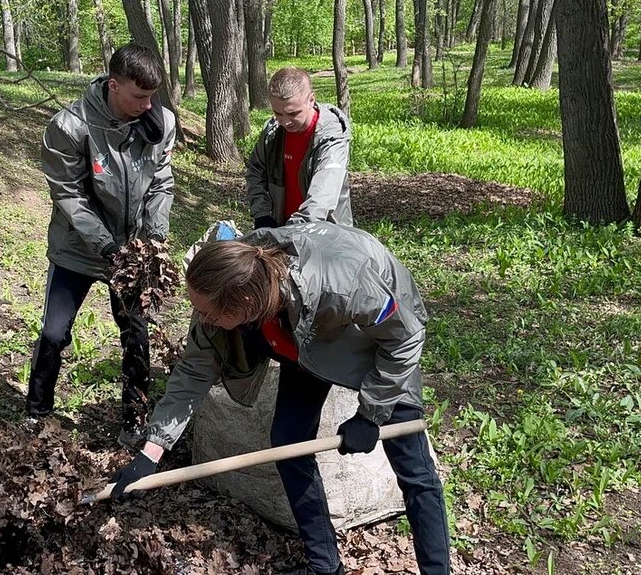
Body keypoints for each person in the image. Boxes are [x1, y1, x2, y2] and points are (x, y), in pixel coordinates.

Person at [109, 222, 450, 575]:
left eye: (210, 313)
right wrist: (151, 451)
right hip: (302, 346)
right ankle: (325, 566)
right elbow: (194, 372)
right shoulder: (232, 281)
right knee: (288, 441)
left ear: (241, 302)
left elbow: (405, 336)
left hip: (378, 341)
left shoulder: (340, 285)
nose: (204, 319)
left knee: (414, 469)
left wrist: (370, 415)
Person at [26, 43, 175, 449]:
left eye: (151, 96)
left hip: (132, 251)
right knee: (54, 333)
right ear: (113, 85)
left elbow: (162, 182)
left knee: (136, 334)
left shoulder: (160, 121)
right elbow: (69, 194)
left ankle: (134, 418)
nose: (147, 106)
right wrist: (107, 247)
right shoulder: (70, 126)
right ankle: (36, 414)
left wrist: (153, 238)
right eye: (138, 97)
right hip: (78, 248)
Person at [246, 68, 353, 230]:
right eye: (278, 113)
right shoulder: (273, 133)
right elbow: (255, 171)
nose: (285, 121)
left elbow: (323, 195)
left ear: (311, 100)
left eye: (293, 113)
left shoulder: (331, 138)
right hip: (282, 227)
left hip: (325, 233)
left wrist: (295, 231)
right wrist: (262, 215)